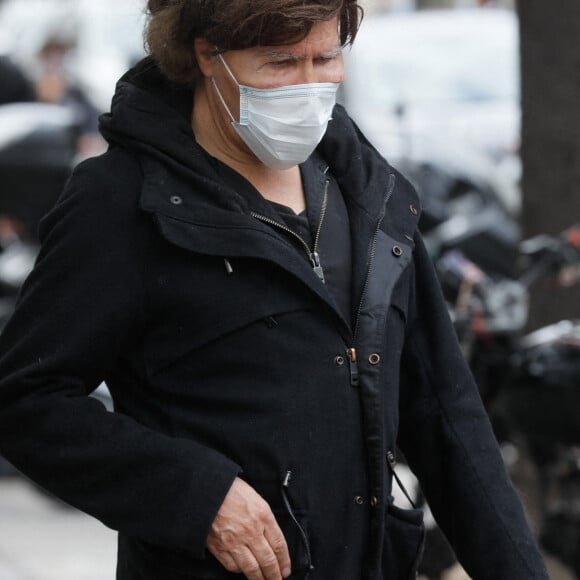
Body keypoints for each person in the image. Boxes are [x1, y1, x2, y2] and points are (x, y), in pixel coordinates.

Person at [0, 1, 549, 579]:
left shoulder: (367, 188)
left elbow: (445, 414)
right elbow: (25, 398)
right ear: (207, 54)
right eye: (281, 62)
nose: (309, 85)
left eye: (327, 56)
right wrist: (198, 496)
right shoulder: (122, 202)